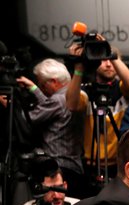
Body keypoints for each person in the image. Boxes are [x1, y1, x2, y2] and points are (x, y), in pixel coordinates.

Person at [7, 58, 86, 197]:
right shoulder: (79, 95)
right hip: (75, 166)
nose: (42, 89)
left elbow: (26, 120)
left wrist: (10, 106)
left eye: (43, 85)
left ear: (54, 82)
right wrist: (34, 88)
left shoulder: (58, 100)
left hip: (58, 168)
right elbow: (51, 108)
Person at [66, 35, 129, 185]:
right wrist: (79, 67)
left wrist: (110, 52)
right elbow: (71, 104)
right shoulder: (86, 89)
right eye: (103, 59)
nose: (108, 64)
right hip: (89, 164)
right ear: (94, 61)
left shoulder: (121, 90)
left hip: (118, 164)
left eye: (110, 59)